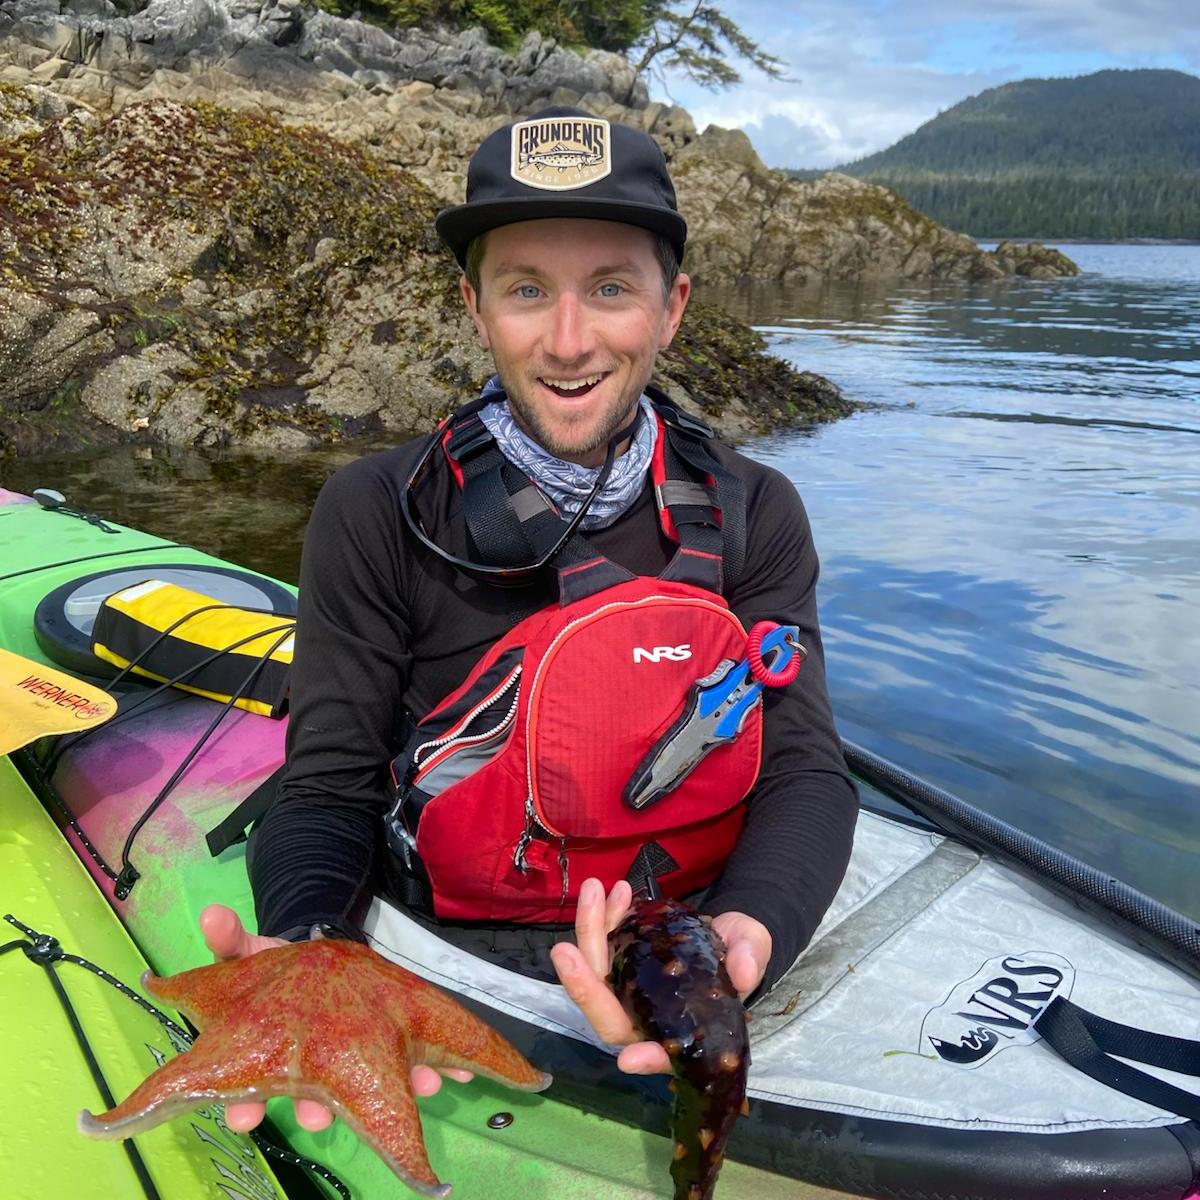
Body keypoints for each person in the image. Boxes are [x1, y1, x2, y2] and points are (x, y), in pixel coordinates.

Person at [204, 105, 857, 1136]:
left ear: (673, 305)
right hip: (448, 932)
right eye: (525, 291)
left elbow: (805, 768)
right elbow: (328, 781)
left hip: (676, 943)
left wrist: (746, 934)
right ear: (475, 309)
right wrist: (310, 945)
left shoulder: (755, 510)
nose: (566, 341)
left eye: (609, 289)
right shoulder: (376, 510)